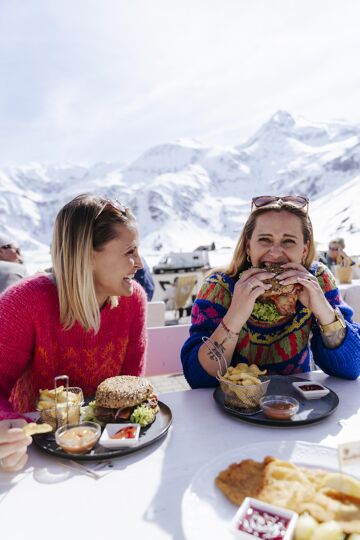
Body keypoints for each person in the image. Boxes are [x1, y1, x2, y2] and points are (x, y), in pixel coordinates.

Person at [0, 194, 146, 472]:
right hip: (35, 458)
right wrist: (7, 427)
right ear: (87, 255)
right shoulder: (23, 303)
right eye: (130, 251)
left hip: (108, 453)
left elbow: (130, 389)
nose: (139, 262)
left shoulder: (133, 300)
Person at [181, 195, 360, 388]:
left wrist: (324, 311)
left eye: (289, 241)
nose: (275, 253)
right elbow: (197, 379)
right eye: (265, 240)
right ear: (249, 246)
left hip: (299, 406)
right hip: (233, 408)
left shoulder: (318, 281)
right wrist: (235, 315)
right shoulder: (219, 287)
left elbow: (351, 368)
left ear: (304, 249)